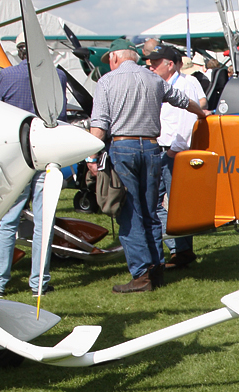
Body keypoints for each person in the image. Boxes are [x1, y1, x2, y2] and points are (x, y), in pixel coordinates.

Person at [87, 39, 208, 293]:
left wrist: (90, 157)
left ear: (114, 58)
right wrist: (201, 114)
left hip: (123, 147)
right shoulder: (154, 79)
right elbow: (183, 101)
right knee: (151, 210)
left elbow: (98, 126)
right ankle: (157, 268)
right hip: (153, 147)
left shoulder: (107, 82)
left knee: (130, 213)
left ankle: (141, 274)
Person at [0, 41, 69, 299]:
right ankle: (39, 283)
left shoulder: (7, 75)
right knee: (45, 221)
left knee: (7, 220)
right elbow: (61, 112)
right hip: (47, 153)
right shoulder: (58, 75)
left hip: (18, 156)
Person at [148, 44, 206, 270]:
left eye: (156, 63)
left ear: (169, 65)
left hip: (173, 151)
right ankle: (176, 248)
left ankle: (181, 250)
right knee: (161, 202)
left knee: (175, 203)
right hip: (163, 148)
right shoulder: (163, 85)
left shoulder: (185, 84)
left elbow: (188, 120)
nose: (151, 66)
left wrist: (174, 150)